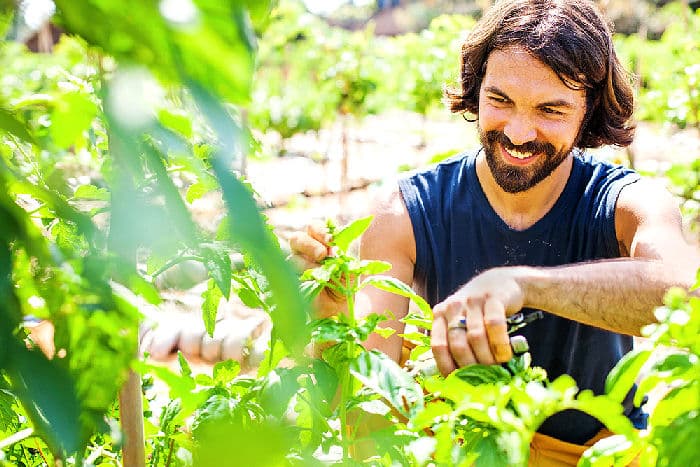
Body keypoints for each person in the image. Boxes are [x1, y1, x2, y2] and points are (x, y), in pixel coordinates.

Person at [289, 0, 699, 464]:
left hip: (595, 452)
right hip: (466, 447)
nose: (519, 132)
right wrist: (330, 321)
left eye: (551, 110)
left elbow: (684, 291)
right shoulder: (405, 210)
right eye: (500, 100)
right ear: (475, 89)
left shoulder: (625, 201)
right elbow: (372, 420)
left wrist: (522, 285)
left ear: (589, 112)